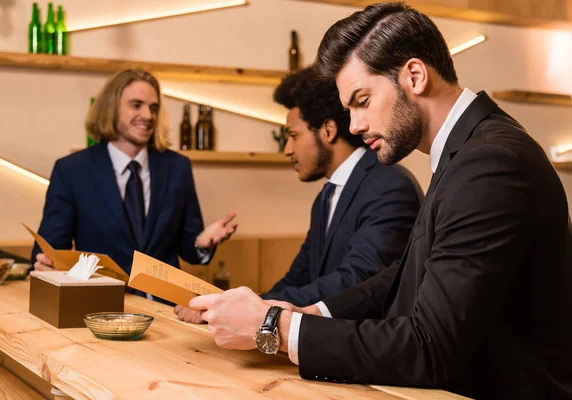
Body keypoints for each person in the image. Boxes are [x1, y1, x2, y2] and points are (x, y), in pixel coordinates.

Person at [187, 3, 572, 399]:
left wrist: (274, 328)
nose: (354, 125)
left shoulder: (490, 162)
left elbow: (430, 348)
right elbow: (405, 273)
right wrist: (307, 314)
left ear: (415, 76)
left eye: (362, 100)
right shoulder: (469, 150)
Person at [174, 67, 420, 323]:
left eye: (292, 136)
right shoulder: (325, 197)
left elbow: (356, 279)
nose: (287, 150)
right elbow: (299, 276)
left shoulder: (389, 186)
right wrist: (238, 306)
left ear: (328, 130)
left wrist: (258, 310)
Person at [31, 69, 238, 303]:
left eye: (153, 107)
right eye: (136, 105)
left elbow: (188, 251)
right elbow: (51, 250)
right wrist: (48, 266)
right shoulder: (72, 170)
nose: (147, 115)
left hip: (167, 311)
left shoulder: (177, 167)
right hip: (98, 309)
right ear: (111, 108)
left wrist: (201, 243)